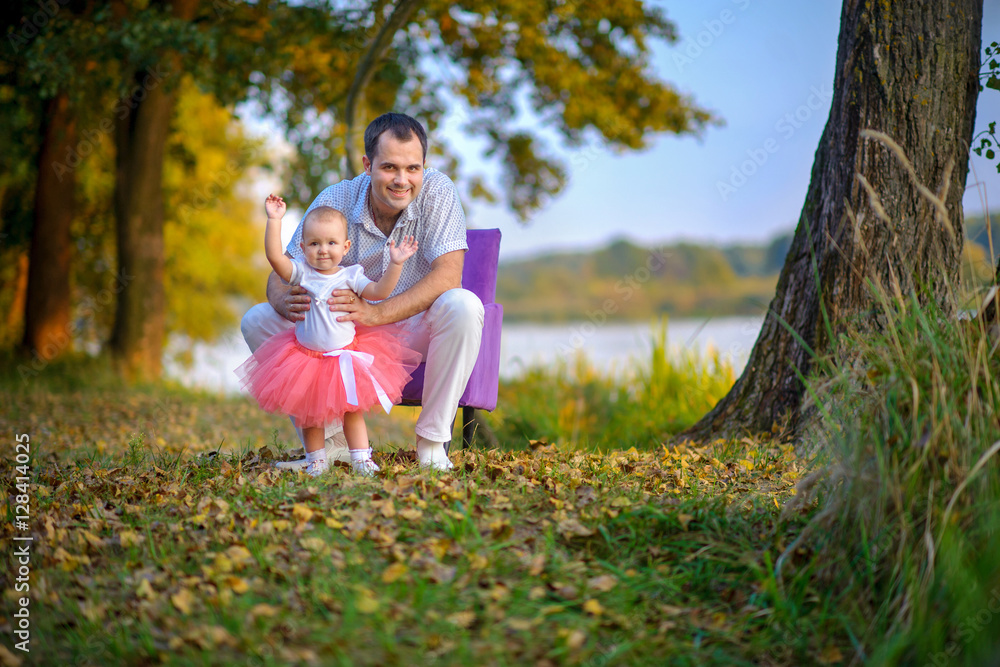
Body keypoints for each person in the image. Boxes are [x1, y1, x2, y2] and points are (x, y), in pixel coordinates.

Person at [240, 112, 484, 471]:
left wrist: (377, 312)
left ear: (424, 166)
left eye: (412, 168)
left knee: (463, 305)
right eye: (389, 168)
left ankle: (432, 445)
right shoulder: (336, 198)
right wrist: (282, 298)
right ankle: (332, 447)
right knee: (257, 318)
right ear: (368, 165)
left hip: (413, 328)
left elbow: (449, 276)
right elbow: (282, 272)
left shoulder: (439, 191)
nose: (402, 180)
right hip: (345, 334)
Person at [237, 197, 421, 476]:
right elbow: (275, 258)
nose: (323, 250)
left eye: (331, 243)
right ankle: (317, 460)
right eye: (314, 244)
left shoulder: (350, 276)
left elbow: (380, 292)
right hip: (306, 358)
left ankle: (361, 458)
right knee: (309, 413)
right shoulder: (302, 273)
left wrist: (395, 264)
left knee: (352, 411)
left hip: (344, 356)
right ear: (302, 248)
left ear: (345, 247)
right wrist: (274, 220)